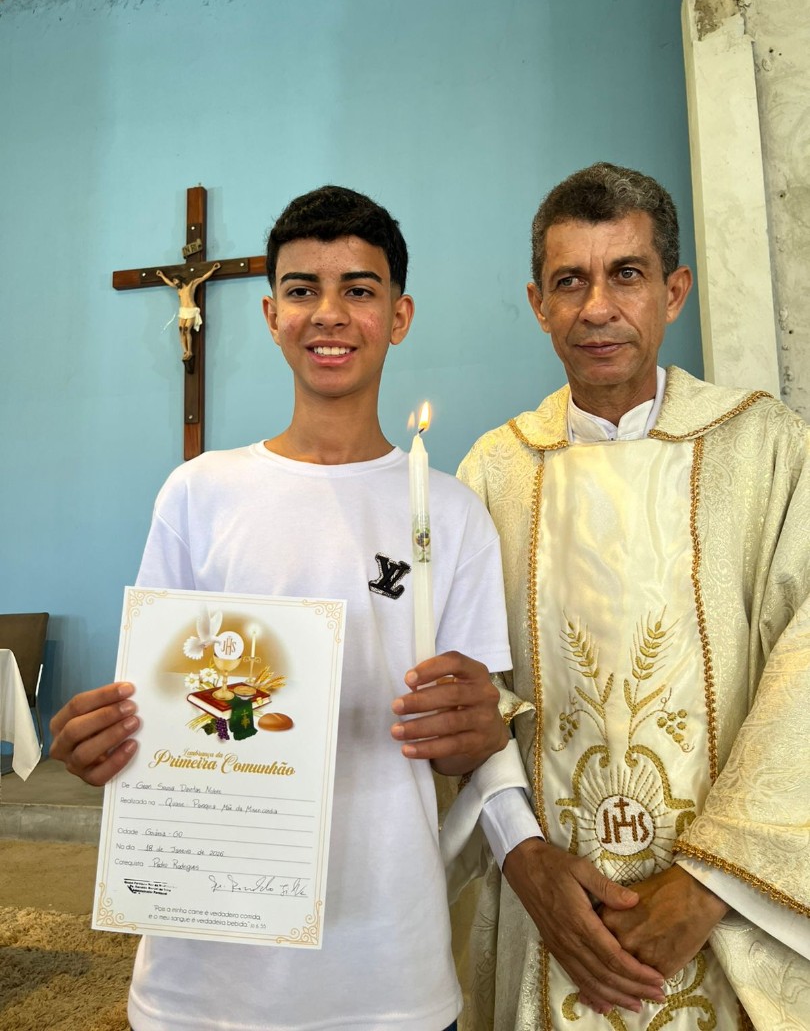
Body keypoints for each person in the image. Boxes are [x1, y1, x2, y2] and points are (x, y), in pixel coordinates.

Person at [50, 185, 525, 1031]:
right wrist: (104, 739)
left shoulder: (452, 516)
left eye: (359, 289)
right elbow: (159, 713)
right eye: (303, 289)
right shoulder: (199, 493)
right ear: (271, 315)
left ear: (400, 315)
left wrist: (477, 729)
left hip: (387, 971)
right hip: (205, 970)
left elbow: (469, 738)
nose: (329, 313)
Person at [453, 162, 810, 1029]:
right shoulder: (495, 472)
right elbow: (464, 696)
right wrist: (525, 859)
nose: (597, 308)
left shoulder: (766, 448)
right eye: (569, 281)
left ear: (673, 291)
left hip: (728, 922)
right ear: (538, 303)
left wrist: (710, 884)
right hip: (552, 916)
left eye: (626, 274)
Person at [156, 260, 221, 362]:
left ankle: (190, 351)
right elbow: (169, 283)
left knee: (186, 329)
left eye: (175, 281)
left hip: (191, 310)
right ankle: (185, 351)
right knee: (181, 330)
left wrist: (213, 269)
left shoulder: (191, 285)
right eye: (174, 281)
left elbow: (203, 277)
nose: (174, 283)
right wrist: (161, 276)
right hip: (183, 311)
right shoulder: (178, 289)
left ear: (180, 280)